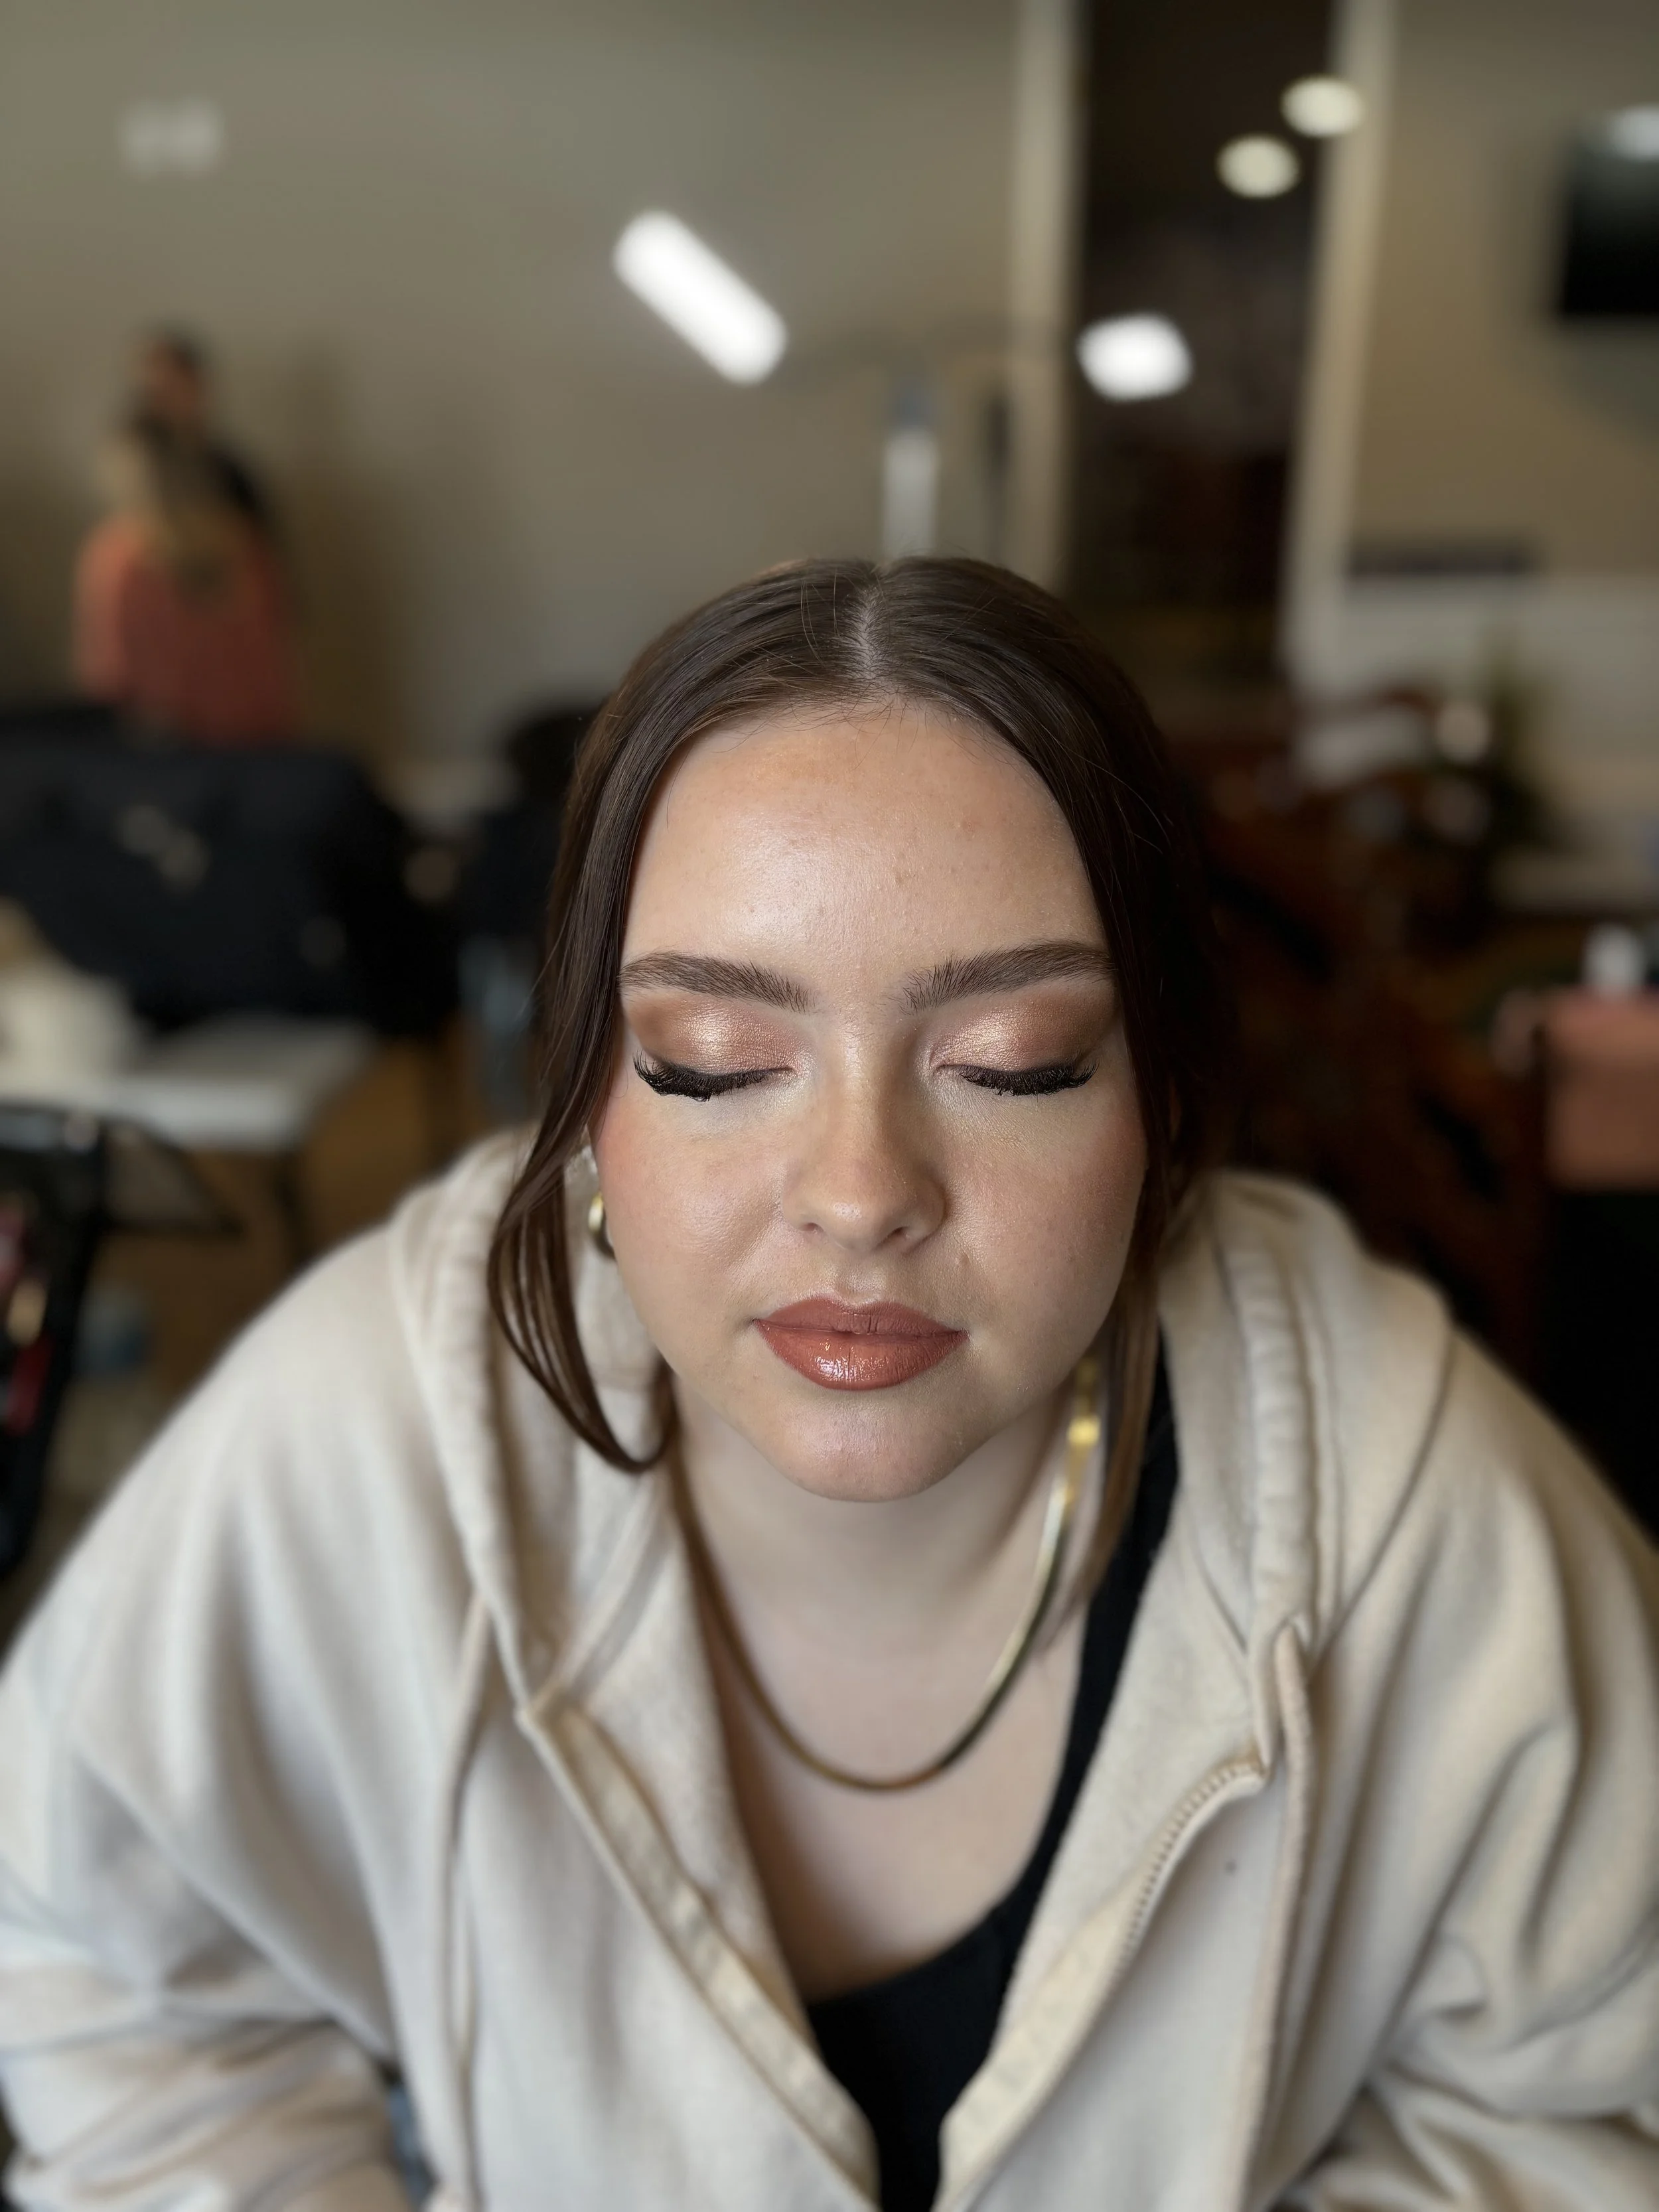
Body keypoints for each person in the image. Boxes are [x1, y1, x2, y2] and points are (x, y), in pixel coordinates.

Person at [1, 559, 1656, 2211]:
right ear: (584, 1103)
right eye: (713, 1064)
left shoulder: (1415, 1506)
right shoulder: (367, 1427)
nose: (860, 1194)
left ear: (1161, 1099)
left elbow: (1587, 2118)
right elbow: (99, 1965)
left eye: (1013, 1062)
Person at [73, 414, 297, 745]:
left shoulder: (116, 557)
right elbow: (276, 661)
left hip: (166, 751)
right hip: (260, 744)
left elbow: (109, 677)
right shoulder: (244, 540)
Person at [130, 326, 280, 552]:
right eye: (153, 392)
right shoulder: (133, 470)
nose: (161, 402)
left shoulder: (231, 475)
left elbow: (261, 554)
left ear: (197, 386)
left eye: (171, 388)